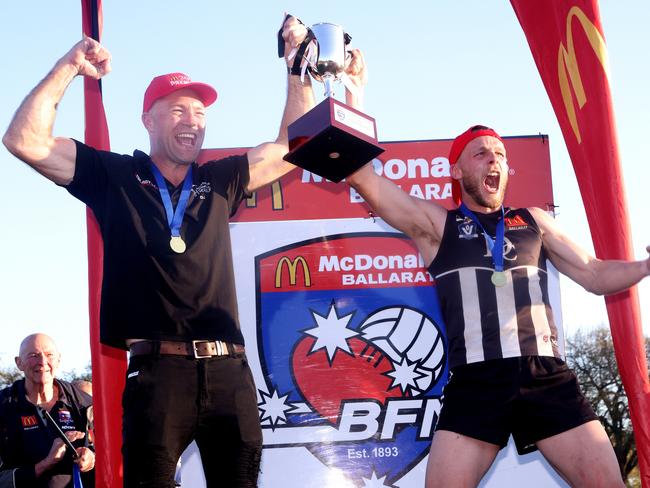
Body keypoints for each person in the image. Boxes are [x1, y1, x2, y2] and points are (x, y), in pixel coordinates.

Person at [2, 15, 319, 488]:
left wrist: (298, 67)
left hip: (229, 371)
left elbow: (296, 144)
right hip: (156, 377)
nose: (192, 122)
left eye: (200, 113)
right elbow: (23, 140)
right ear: (147, 120)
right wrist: (69, 65)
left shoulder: (220, 178)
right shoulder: (114, 176)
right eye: (178, 111)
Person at [339, 57, 650, 487]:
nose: (494, 160)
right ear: (458, 170)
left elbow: (594, 275)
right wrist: (355, 92)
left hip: (545, 374)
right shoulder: (437, 225)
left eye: (501, 154)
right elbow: (364, 179)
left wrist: (647, 265)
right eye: (481, 153)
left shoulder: (534, 221)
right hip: (476, 380)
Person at [0, 333, 94, 488]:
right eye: (33, 355)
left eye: (49, 355)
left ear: (58, 360)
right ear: (19, 363)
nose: (42, 362)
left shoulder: (83, 403)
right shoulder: (4, 407)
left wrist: (91, 458)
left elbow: (110, 452)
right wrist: (45, 464)